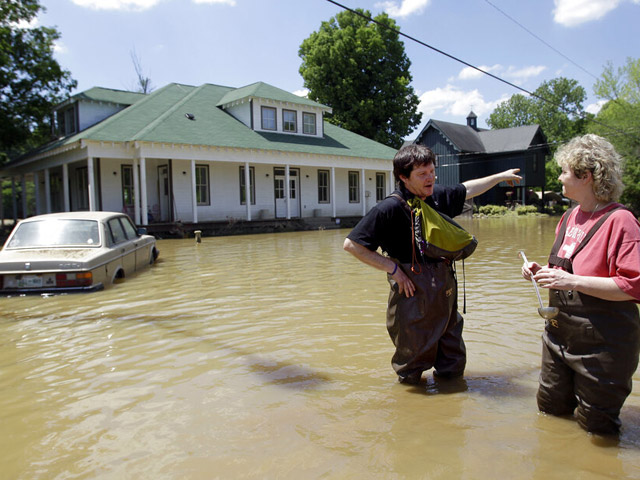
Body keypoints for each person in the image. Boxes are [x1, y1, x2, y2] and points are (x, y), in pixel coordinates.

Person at [344, 144, 521, 384]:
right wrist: (394, 270)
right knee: (412, 361)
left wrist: (499, 177)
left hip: (444, 287)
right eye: (422, 174)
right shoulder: (389, 208)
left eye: (432, 172)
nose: (430, 178)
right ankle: (412, 406)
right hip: (412, 289)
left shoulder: (435, 196)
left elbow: (467, 189)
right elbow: (352, 245)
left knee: (452, 354)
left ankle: (449, 401)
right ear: (403, 177)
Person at [521, 134, 640, 435]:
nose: (559, 177)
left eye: (564, 171)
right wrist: (541, 270)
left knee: (597, 429)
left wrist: (571, 280)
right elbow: (566, 269)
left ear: (586, 176)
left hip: (603, 346)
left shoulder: (621, 221)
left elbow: (635, 286)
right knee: (550, 413)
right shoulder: (569, 217)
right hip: (559, 337)